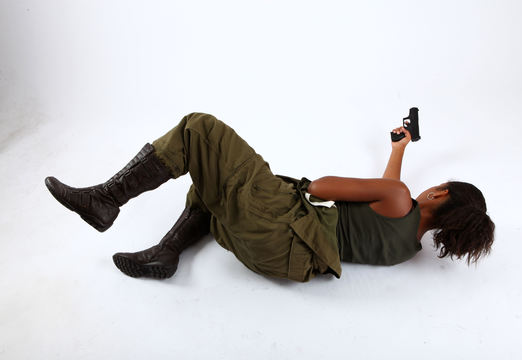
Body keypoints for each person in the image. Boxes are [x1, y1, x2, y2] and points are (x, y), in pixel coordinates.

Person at [44, 112, 495, 282]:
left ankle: (106, 199)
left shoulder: (398, 197)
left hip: (280, 221)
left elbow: (320, 187)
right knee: (211, 178)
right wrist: (399, 149)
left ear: (440, 192)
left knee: (200, 131)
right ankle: (166, 253)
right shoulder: (406, 248)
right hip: (277, 257)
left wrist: (378, 179)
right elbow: (389, 198)